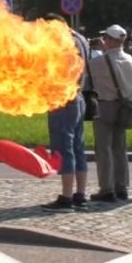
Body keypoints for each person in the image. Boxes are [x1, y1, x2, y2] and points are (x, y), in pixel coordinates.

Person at [41, 16, 92, 212]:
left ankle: (66, 198)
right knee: (78, 147)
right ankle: (80, 195)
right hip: (78, 97)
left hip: (63, 99)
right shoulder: (81, 39)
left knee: (64, 148)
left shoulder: (63, 42)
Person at [88, 24, 132, 203]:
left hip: (105, 105)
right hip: (123, 105)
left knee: (103, 148)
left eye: (105, 38)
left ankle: (107, 189)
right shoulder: (129, 58)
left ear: (109, 40)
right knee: (119, 148)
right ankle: (121, 186)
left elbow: (87, 71)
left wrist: (98, 50)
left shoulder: (100, 61)